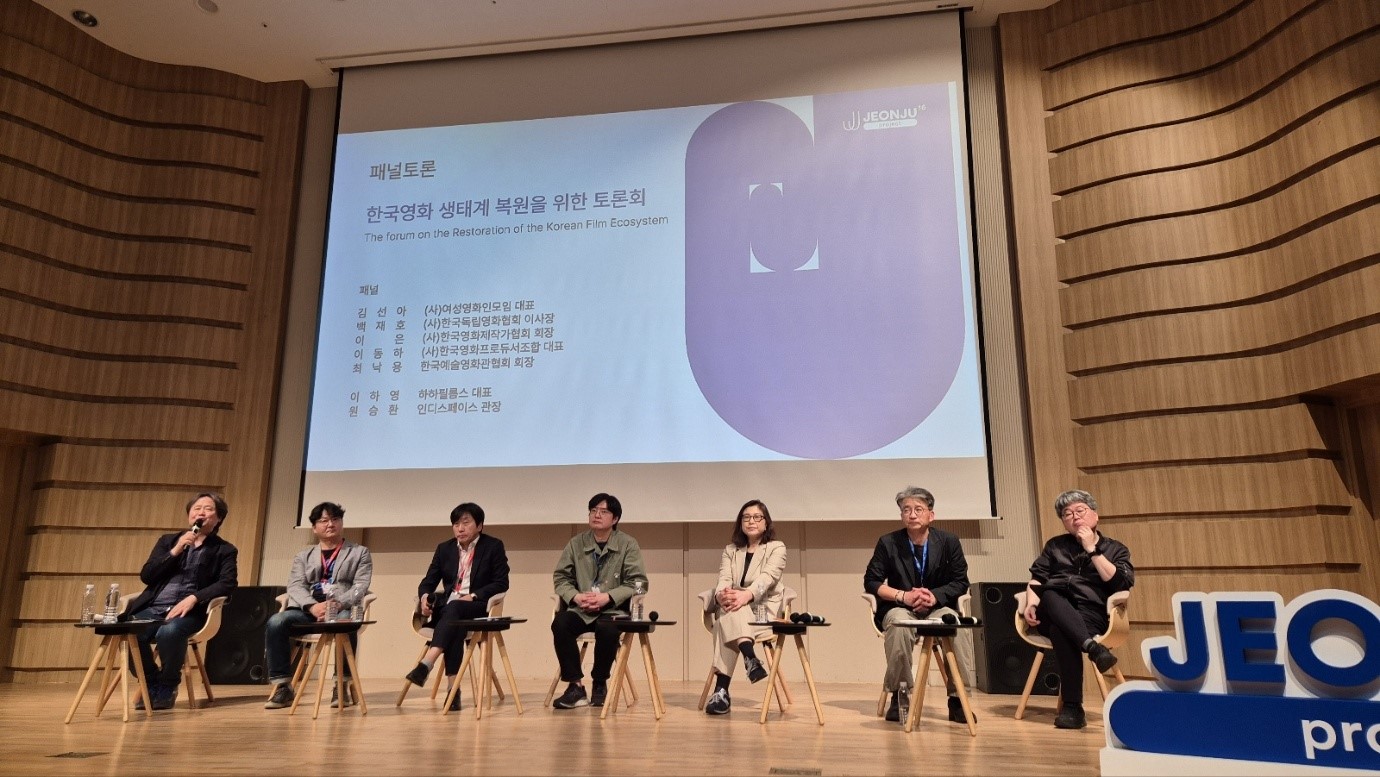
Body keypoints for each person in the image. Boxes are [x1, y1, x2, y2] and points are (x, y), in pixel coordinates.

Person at [1023, 489, 1134, 729]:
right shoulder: (1055, 546)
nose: (1074, 517)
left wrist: (1092, 549)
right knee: (1050, 593)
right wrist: (1031, 603)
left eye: (1080, 511)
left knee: (1061, 631)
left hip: (1091, 614)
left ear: (1095, 515)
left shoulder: (1116, 549)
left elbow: (1120, 584)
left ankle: (1073, 707)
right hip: (1049, 610)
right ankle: (1092, 648)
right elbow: (1037, 579)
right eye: (1067, 514)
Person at [863, 486, 974, 724]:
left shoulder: (949, 542)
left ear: (931, 515)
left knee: (955, 625)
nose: (912, 514)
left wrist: (934, 596)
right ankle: (900, 695)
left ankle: (957, 699)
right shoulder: (888, 542)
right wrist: (903, 596)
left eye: (918, 509)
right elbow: (871, 581)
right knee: (898, 625)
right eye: (906, 510)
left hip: (938, 607)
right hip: (901, 606)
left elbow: (961, 582)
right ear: (901, 515)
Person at [124, 492, 239, 710]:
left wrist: (194, 598)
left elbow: (228, 583)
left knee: (169, 631)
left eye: (208, 509)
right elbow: (147, 575)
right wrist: (175, 551)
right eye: (197, 508)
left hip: (191, 612)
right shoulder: (168, 541)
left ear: (218, 519)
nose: (201, 513)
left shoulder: (224, 550)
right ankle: (151, 681)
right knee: (130, 630)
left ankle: (168, 685)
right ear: (189, 515)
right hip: (155, 607)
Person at [264, 502, 373, 710]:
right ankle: (283, 686)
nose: (330, 524)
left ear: (341, 523)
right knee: (276, 622)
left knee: (347, 621)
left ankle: (340, 684)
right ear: (314, 528)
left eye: (335, 519)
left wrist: (338, 604)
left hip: (340, 608)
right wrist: (312, 607)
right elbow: (295, 586)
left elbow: (361, 586)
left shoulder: (359, 552)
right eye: (324, 521)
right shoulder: (303, 556)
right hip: (307, 611)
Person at [403, 502, 510, 711]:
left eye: (466, 523)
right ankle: (453, 692)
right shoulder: (444, 549)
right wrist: (424, 598)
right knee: (454, 622)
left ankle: (428, 662)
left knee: (455, 611)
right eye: (455, 524)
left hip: (476, 606)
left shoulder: (493, 546)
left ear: (479, 525)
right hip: (450, 610)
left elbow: (501, 582)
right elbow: (427, 582)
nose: (460, 529)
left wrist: (474, 595)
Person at [550, 493, 648, 709]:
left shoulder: (628, 544)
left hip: (613, 610)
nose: (596, 515)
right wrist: (576, 596)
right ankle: (575, 686)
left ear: (615, 519)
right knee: (561, 623)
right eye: (593, 511)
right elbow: (560, 577)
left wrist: (609, 597)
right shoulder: (576, 543)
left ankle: (600, 683)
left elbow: (640, 583)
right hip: (582, 609)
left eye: (603, 512)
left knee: (608, 629)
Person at [703, 499, 787, 715]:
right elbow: (724, 578)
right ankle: (750, 657)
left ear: (766, 523)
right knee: (730, 610)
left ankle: (721, 691)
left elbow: (768, 577)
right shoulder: (731, 550)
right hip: (734, 608)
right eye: (746, 517)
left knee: (724, 622)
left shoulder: (776, 548)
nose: (751, 521)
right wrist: (721, 595)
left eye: (757, 517)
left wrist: (745, 595)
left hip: (762, 612)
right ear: (740, 523)